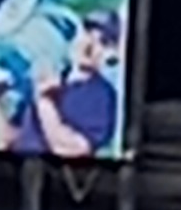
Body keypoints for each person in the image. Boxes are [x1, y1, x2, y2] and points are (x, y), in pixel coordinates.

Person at [34, 13, 123, 160]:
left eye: (103, 42)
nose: (89, 45)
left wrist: (44, 103)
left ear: (111, 55)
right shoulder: (53, 75)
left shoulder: (103, 97)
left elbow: (71, 150)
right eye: (87, 33)